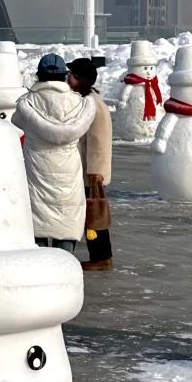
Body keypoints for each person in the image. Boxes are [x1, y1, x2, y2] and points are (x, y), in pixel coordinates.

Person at [11, 52, 96, 254]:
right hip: (69, 174)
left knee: (38, 228)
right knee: (65, 226)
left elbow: (16, 121)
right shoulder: (80, 103)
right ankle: (64, 265)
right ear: (64, 75)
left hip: (36, 170)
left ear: (39, 74)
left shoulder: (28, 103)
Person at [67, 56, 113, 271]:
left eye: (73, 75)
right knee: (89, 214)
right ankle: (99, 256)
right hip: (85, 170)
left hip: (90, 173)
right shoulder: (85, 100)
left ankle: (101, 257)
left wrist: (96, 171)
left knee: (94, 215)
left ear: (82, 79)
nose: (68, 78)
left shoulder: (94, 104)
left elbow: (99, 141)